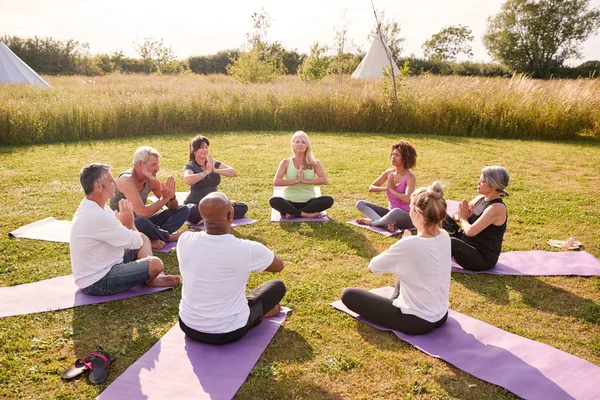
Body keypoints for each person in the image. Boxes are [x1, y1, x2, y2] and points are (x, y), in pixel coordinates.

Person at [341, 182, 450, 335]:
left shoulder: (409, 245)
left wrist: (403, 243)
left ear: (418, 214)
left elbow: (372, 267)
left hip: (416, 321)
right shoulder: (444, 236)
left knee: (348, 295)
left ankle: (395, 307)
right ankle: (396, 304)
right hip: (441, 315)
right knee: (407, 267)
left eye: (411, 207)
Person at [177, 192, 286, 345]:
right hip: (229, 331)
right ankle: (259, 312)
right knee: (276, 286)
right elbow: (278, 265)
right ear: (230, 215)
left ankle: (254, 311)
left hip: (188, 325)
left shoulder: (185, 240)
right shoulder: (246, 248)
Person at [70, 163, 180, 296]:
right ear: (98, 186)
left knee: (144, 237)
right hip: (97, 281)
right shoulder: (97, 215)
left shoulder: (94, 206)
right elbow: (135, 241)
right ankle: (150, 278)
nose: (115, 184)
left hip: (108, 262)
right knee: (155, 264)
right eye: (111, 181)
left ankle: (150, 278)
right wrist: (129, 223)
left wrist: (124, 225)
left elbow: (128, 237)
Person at [110, 146, 190, 250]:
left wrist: (171, 197)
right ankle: (169, 237)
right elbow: (142, 213)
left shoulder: (150, 179)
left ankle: (155, 236)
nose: (158, 169)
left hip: (143, 223)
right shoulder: (126, 180)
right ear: (140, 164)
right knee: (140, 221)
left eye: (157, 164)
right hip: (123, 226)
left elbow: (173, 207)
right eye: (153, 165)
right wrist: (164, 199)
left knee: (183, 210)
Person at [443, 166, 509, 271]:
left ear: (493, 186)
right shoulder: (480, 198)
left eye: (482, 181)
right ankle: (424, 247)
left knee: (451, 242)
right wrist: (462, 216)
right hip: (466, 242)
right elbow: (457, 214)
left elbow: (470, 231)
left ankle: (428, 261)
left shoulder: (496, 208)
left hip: (481, 257)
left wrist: (463, 218)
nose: (478, 183)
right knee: (440, 217)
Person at [183, 135, 248, 225]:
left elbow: (233, 172)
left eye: (206, 147)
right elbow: (188, 180)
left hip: (214, 204)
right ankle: (219, 217)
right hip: (196, 204)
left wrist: (215, 170)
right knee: (189, 212)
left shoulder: (214, 163)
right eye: (201, 148)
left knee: (242, 207)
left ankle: (209, 219)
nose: (205, 150)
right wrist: (206, 172)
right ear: (194, 150)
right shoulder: (190, 166)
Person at [269, 131, 334, 219]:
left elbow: (324, 180)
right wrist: (296, 181)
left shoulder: (314, 162)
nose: (300, 144)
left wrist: (305, 181)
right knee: (274, 201)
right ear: (293, 145)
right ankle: (305, 214)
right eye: (297, 142)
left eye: (303, 142)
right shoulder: (285, 162)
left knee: (328, 200)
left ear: (307, 146)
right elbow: (276, 182)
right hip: (289, 201)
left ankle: (294, 213)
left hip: (309, 201)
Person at [356, 140, 417, 231]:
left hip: (406, 216)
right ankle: (386, 224)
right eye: (392, 154)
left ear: (405, 158)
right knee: (360, 204)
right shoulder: (389, 173)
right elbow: (371, 187)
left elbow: (408, 199)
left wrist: (392, 190)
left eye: (397, 155)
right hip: (390, 213)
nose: (393, 157)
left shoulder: (410, 177)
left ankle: (373, 223)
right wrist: (386, 188)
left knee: (396, 211)